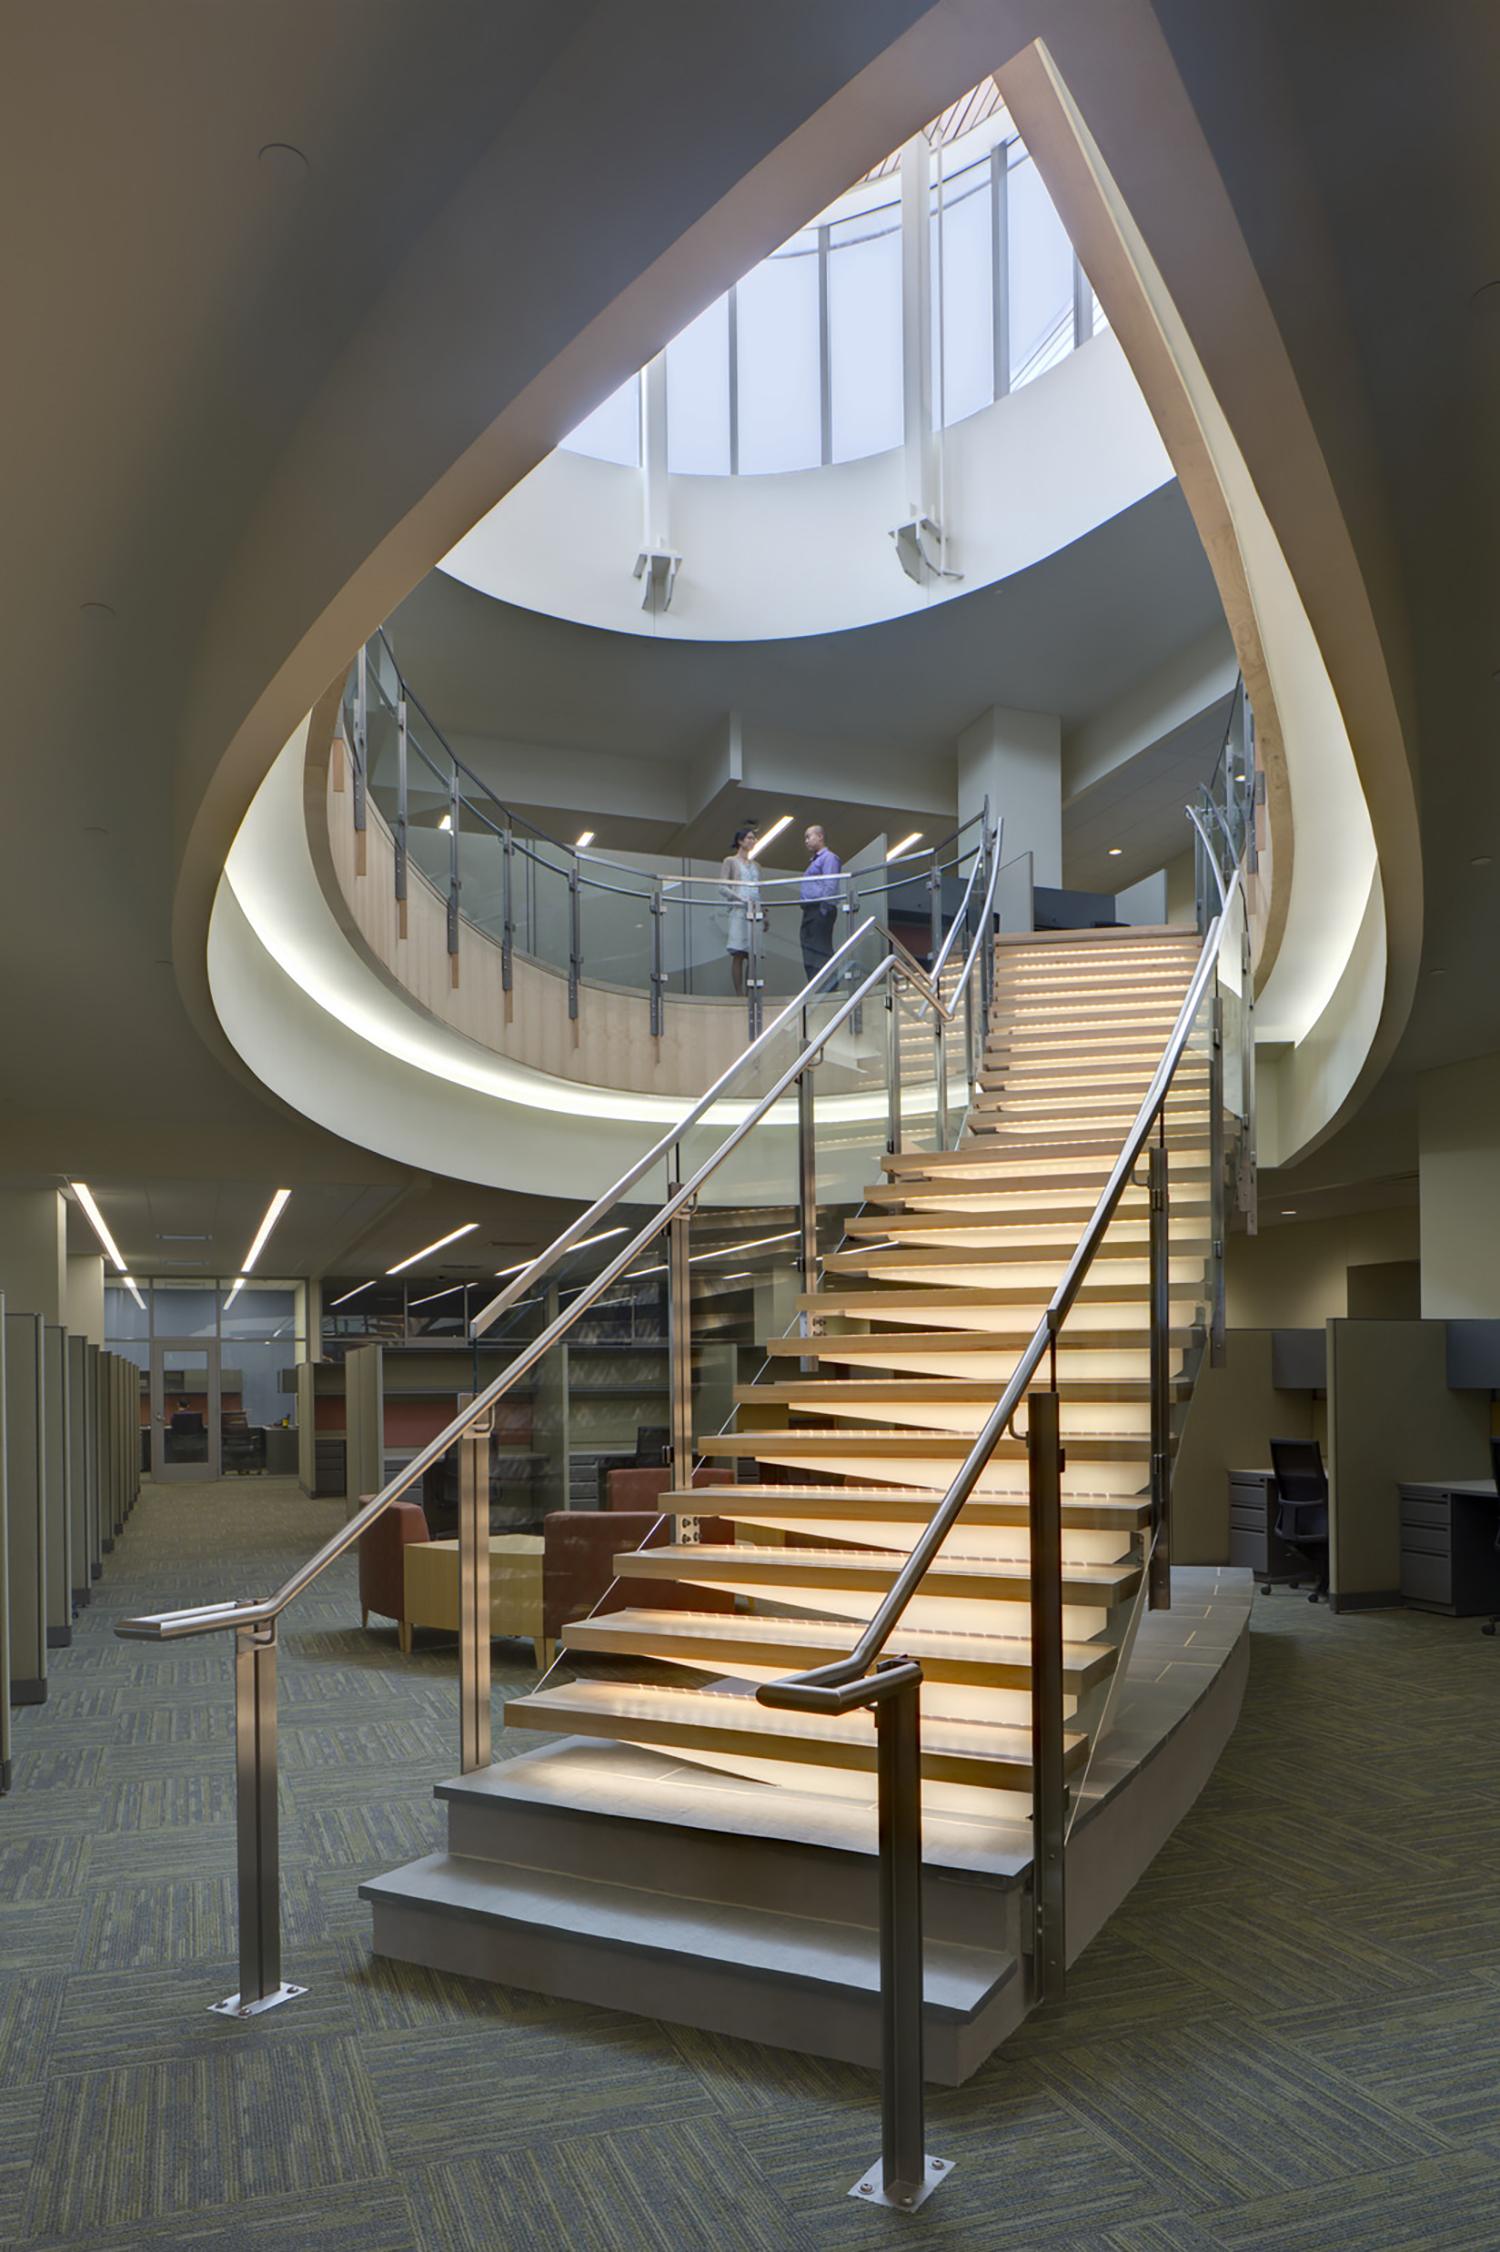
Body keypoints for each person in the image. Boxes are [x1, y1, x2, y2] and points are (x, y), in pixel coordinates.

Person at [720, 821, 761, 996]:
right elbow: (722, 886)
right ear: (740, 841)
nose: (752, 841)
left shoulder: (757, 865)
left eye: (754, 838)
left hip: (754, 910)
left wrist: (764, 914)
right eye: (749, 838)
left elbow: (759, 890)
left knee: (753, 954)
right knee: (738, 952)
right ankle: (739, 994)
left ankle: (751, 991)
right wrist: (739, 898)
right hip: (738, 909)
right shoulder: (730, 861)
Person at [799, 823, 842, 980]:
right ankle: (815, 985)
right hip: (810, 910)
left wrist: (823, 910)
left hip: (820, 909)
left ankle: (827, 985)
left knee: (820, 947)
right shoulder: (814, 862)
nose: (806, 841)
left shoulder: (829, 858)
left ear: (820, 836)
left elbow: (830, 885)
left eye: (809, 836)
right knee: (810, 948)